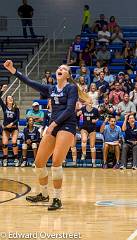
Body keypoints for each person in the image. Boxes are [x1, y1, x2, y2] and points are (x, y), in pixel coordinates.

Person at [3, 60, 91, 211]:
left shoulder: (71, 88)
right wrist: (13, 70)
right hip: (54, 126)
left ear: (68, 75)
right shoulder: (51, 88)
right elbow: (29, 81)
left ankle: (57, 198)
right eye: (59, 67)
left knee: (56, 162)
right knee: (39, 163)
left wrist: (52, 124)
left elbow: (70, 110)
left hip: (67, 126)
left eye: (64, 69)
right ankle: (44, 194)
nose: (60, 69)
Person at [0, 85, 20, 167]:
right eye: (8, 98)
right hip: (6, 128)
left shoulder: (16, 108)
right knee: (4, 143)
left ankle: (16, 159)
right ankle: (5, 159)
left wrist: (12, 124)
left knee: (14, 142)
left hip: (14, 128)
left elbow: (18, 119)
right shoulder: (4, 107)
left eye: (11, 98)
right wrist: (2, 90)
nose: (10, 99)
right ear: (6, 101)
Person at [78, 101, 99, 167]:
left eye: (91, 102)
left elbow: (99, 117)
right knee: (84, 140)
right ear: (86, 103)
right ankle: (84, 154)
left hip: (92, 128)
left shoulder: (95, 110)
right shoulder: (83, 109)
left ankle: (93, 162)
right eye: (89, 102)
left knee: (92, 146)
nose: (90, 103)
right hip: (84, 128)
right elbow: (77, 115)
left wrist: (96, 120)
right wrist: (78, 113)